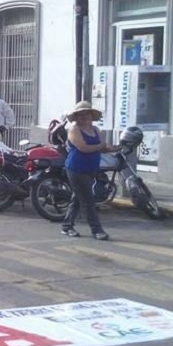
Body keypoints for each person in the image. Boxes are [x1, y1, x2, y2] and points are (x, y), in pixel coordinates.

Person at [61, 101, 115, 241]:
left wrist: (111, 148)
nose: (83, 117)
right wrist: (101, 146)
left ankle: (67, 226)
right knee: (88, 200)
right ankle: (96, 230)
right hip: (76, 168)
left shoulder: (96, 130)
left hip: (91, 168)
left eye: (86, 114)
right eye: (80, 115)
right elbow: (83, 148)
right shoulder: (74, 130)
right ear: (76, 117)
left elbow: (99, 147)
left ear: (91, 115)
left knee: (78, 198)